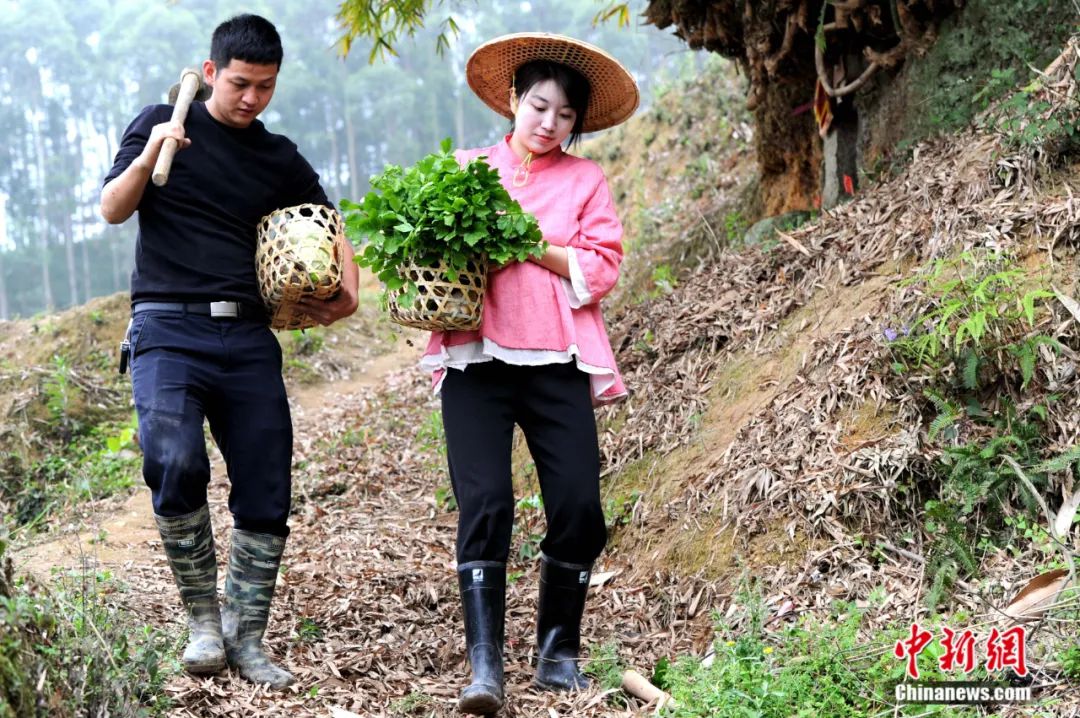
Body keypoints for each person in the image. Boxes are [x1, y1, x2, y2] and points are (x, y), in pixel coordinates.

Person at [100, 14, 359, 690]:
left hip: (246, 335)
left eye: (266, 87)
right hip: (165, 327)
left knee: (268, 486)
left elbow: (330, 223)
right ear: (211, 72)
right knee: (172, 457)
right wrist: (153, 147)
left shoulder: (278, 158)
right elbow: (111, 208)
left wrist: (349, 291)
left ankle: (247, 638)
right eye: (241, 84)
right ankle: (202, 623)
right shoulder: (163, 119)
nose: (252, 99)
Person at [420, 32, 639, 714]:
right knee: (485, 506)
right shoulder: (465, 169)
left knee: (579, 506)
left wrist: (530, 243)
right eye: (539, 106)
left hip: (557, 361)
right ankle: (485, 669)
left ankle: (557, 653)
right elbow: (424, 255)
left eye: (565, 115)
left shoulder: (585, 181)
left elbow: (600, 268)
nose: (549, 124)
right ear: (513, 101)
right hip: (475, 357)